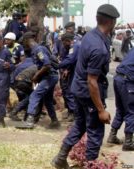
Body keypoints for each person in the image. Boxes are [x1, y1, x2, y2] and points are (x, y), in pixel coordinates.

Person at [51, 4, 120, 169]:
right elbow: (92, 81)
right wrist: (101, 110)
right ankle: (89, 165)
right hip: (89, 93)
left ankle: (60, 158)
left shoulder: (89, 36)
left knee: (80, 125)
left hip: (78, 89)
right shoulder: (99, 48)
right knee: (95, 131)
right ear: (111, 22)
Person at [16, 32, 59, 129]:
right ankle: (55, 121)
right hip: (50, 76)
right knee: (47, 100)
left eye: (23, 42)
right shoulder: (38, 49)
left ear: (27, 40)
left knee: (34, 95)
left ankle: (29, 122)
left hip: (49, 76)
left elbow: (47, 65)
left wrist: (36, 75)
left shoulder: (38, 49)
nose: (23, 45)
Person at [106, 48, 134, 151]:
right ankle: (128, 142)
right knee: (131, 111)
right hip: (128, 81)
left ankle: (112, 135)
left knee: (121, 109)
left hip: (118, 79)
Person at [58, 32, 81, 122]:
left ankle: (75, 114)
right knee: (68, 91)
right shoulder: (73, 45)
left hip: (76, 71)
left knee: (71, 92)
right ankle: (72, 112)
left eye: (63, 43)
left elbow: (70, 59)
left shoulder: (74, 46)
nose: (63, 45)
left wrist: (58, 65)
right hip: (72, 70)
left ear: (68, 41)